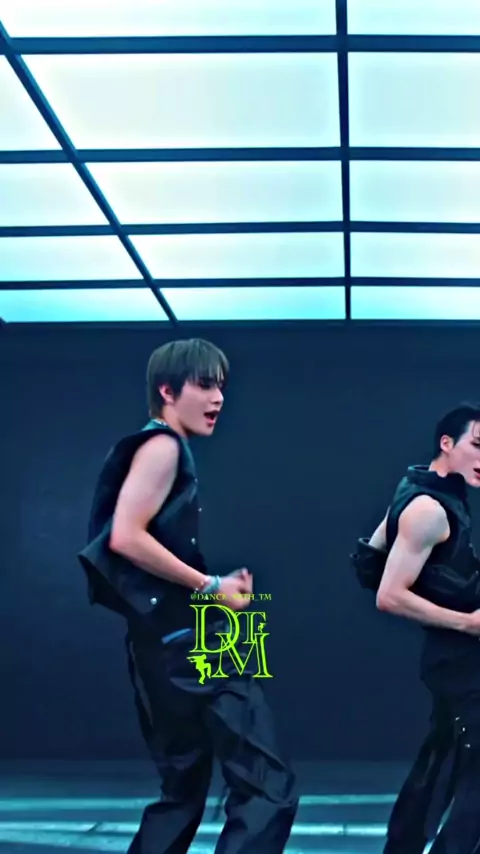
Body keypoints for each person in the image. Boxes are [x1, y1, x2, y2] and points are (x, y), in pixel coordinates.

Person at [78, 338, 298, 854]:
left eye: (221, 386)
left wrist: (213, 584)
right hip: (193, 643)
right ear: (167, 390)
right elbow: (125, 537)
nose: (218, 397)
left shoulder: (151, 445)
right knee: (269, 789)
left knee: (181, 792)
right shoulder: (164, 447)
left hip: (156, 644)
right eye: (204, 385)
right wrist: (212, 588)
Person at [365, 403, 480, 854]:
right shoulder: (428, 509)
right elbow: (388, 594)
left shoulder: (419, 488)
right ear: (446, 443)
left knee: (443, 759)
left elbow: (370, 557)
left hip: (452, 658)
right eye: (477, 445)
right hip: (461, 662)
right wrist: (466, 621)